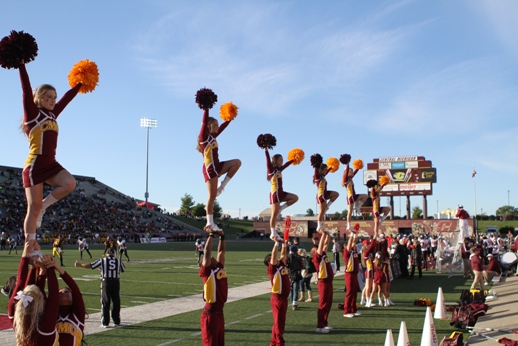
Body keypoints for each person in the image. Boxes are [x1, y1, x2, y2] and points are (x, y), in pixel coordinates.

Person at [18, 63, 81, 244]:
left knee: (69, 183)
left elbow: (67, 98)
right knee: (33, 206)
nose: (53, 101)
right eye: (48, 97)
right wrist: (21, 65)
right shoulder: (33, 114)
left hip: (51, 163)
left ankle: (44, 207)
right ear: (38, 98)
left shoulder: (53, 115)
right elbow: (25, 88)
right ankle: (31, 245)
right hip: (35, 164)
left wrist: (81, 83)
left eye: (54, 97)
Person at [197, 90, 241, 232]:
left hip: (218, 166)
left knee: (237, 162)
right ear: (209, 126)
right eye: (214, 125)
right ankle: (209, 222)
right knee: (211, 196)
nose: (217, 127)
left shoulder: (214, 136)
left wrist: (230, 116)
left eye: (217, 125)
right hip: (210, 169)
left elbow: (224, 125)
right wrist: (207, 108)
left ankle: (222, 186)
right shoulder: (204, 138)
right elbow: (204, 122)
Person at [8, 240, 60, 346]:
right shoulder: (45, 328)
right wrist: (46, 267)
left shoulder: (15, 316)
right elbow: (53, 295)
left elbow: (21, 284)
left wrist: (30, 261)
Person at [75, 247, 125, 328]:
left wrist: (80, 265)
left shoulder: (103, 260)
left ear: (106, 254)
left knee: (105, 302)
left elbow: (91, 265)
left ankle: (105, 322)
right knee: (116, 301)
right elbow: (122, 269)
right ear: (114, 254)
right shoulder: (118, 261)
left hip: (106, 282)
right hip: (116, 282)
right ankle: (116, 321)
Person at [199, 228, 227, 346]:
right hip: (210, 314)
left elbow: (221, 251)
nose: (212, 257)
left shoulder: (219, 267)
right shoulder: (207, 272)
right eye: (209, 258)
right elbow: (207, 251)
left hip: (219, 313)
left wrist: (222, 236)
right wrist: (211, 234)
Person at [264, 148, 299, 241]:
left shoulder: (279, 169)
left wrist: (293, 160)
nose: (282, 161)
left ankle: (281, 208)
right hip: (275, 193)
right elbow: (267, 160)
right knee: (274, 216)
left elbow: (286, 165)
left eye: (282, 160)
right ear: (275, 160)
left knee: (295, 198)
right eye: (280, 160)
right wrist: (266, 150)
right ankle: (272, 233)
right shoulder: (271, 169)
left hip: (281, 192)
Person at [264, 236, 290, 345]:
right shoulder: (272, 269)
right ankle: (279, 343)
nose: (277, 258)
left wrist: (284, 244)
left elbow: (283, 255)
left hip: (283, 298)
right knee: (278, 323)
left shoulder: (281, 265)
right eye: (272, 258)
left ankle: (274, 342)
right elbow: (274, 255)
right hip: (278, 298)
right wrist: (276, 243)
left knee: (279, 323)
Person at [313, 229, 334, 333]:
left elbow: (326, 244)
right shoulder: (317, 258)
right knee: (323, 304)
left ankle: (324, 322)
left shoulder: (323, 255)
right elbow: (321, 246)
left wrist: (327, 234)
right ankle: (319, 326)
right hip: (323, 283)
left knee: (328, 304)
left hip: (329, 282)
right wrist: (322, 235)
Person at [341, 155, 368, 230]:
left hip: (354, 196)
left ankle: (358, 206)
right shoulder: (346, 179)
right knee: (349, 212)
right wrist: (347, 163)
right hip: (350, 197)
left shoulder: (350, 178)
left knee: (365, 196)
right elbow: (346, 172)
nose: (353, 172)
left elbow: (356, 170)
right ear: (348, 172)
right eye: (351, 171)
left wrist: (358, 166)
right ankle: (348, 225)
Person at [312, 156, 339, 231]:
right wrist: (316, 164)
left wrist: (331, 167)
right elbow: (316, 170)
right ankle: (319, 226)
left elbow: (327, 171)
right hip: (321, 195)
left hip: (325, 193)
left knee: (336, 194)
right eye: (325, 169)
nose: (326, 171)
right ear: (321, 170)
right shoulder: (317, 177)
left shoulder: (323, 176)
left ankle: (327, 206)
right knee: (321, 211)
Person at [342, 230, 361, 318]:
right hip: (349, 274)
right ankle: (346, 311)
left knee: (354, 292)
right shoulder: (346, 253)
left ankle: (353, 309)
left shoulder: (354, 251)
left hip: (354, 274)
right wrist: (351, 235)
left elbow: (353, 242)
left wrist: (355, 233)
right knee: (349, 292)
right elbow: (350, 243)